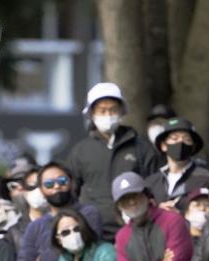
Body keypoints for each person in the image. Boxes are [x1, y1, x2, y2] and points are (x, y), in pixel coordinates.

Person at [68, 82, 160, 240]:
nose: (108, 114)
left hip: (136, 228)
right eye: (102, 110)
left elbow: (155, 185)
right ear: (92, 113)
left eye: (112, 109)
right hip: (94, 230)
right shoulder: (80, 151)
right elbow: (71, 192)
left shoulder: (141, 147)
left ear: (121, 112)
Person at [145, 118, 209, 209]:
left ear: (193, 146)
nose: (180, 142)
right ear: (164, 145)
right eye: (174, 138)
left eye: (187, 139)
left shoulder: (205, 178)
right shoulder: (151, 182)